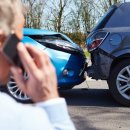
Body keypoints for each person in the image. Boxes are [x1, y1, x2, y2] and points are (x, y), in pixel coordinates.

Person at [0, 0, 75, 130]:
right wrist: (49, 98)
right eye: (16, 41)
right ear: (2, 39)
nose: (18, 50)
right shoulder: (18, 118)